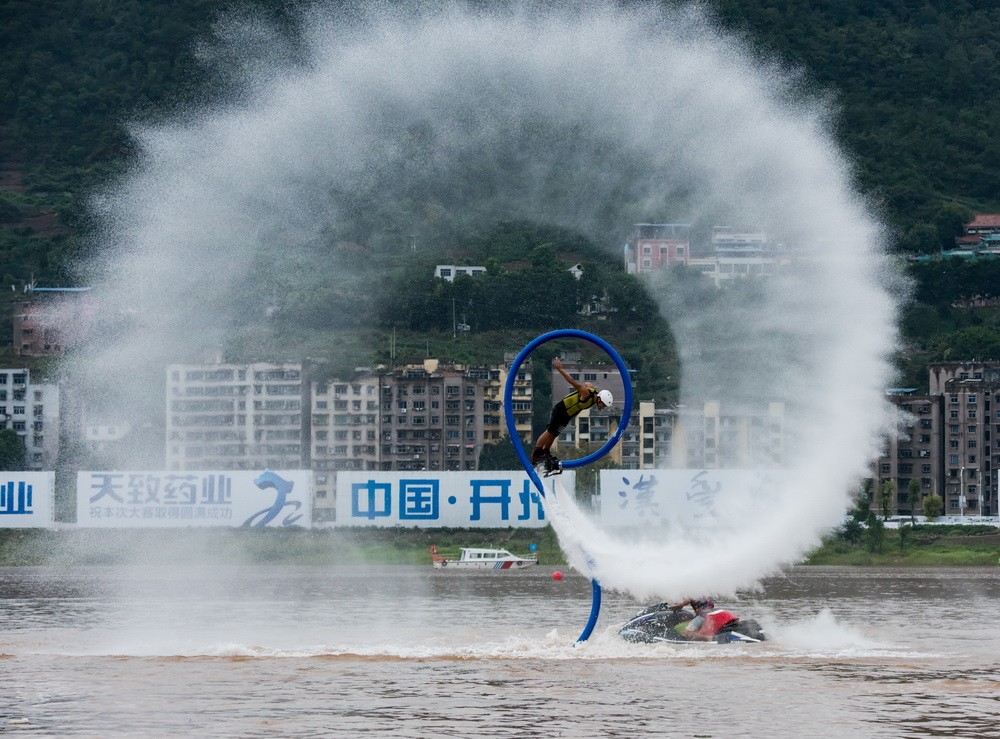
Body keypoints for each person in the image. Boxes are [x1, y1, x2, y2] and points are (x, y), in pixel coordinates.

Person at [530, 357, 613, 466]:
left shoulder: (593, 393)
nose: (602, 407)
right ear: (600, 399)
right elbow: (572, 381)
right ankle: (536, 455)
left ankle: (545, 453)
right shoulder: (586, 393)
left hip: (567, 415)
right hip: (561, 409)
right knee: (550, 431)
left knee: (554, 434)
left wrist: (585, 386)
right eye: (603, 405)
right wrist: (560, 369)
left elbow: (588, 383)